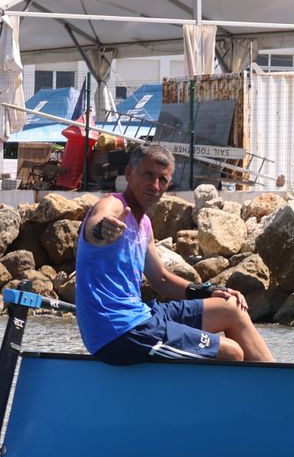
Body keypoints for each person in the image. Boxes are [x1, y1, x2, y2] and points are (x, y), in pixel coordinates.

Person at [75, 143, 273, 365]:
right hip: (118, 333)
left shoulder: (145, 225)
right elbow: (96, 224)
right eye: (148, 175)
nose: (155, 185)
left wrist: (209, 291)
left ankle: (284, 387)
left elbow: (161, 280)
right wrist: (102, 229)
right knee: (231, 352)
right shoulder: (113, 205)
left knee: (231, 309)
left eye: (163, 179)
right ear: (129, 174)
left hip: (143, 315)